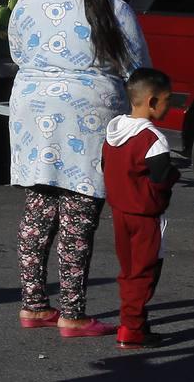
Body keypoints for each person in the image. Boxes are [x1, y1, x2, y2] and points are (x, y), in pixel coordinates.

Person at [7, 0, 149, 338]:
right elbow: (136, 67)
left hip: (32, 109)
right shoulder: (112, 7)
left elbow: (16, 49)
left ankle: (33, 304)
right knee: (79, 213)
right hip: (88, 114)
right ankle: (72, 312)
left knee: (39, 205)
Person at [103, 68, 180, 349]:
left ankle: (135, 321)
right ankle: (131, 328)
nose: (169, 106)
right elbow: (161, 179)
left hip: (120, 211)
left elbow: (106, 167)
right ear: (151, 101)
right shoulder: (154, 140)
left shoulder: (114, 131)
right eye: (167, 100)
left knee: (129, 270)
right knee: (145, 272)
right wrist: (174, 177)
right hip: (145, 217)